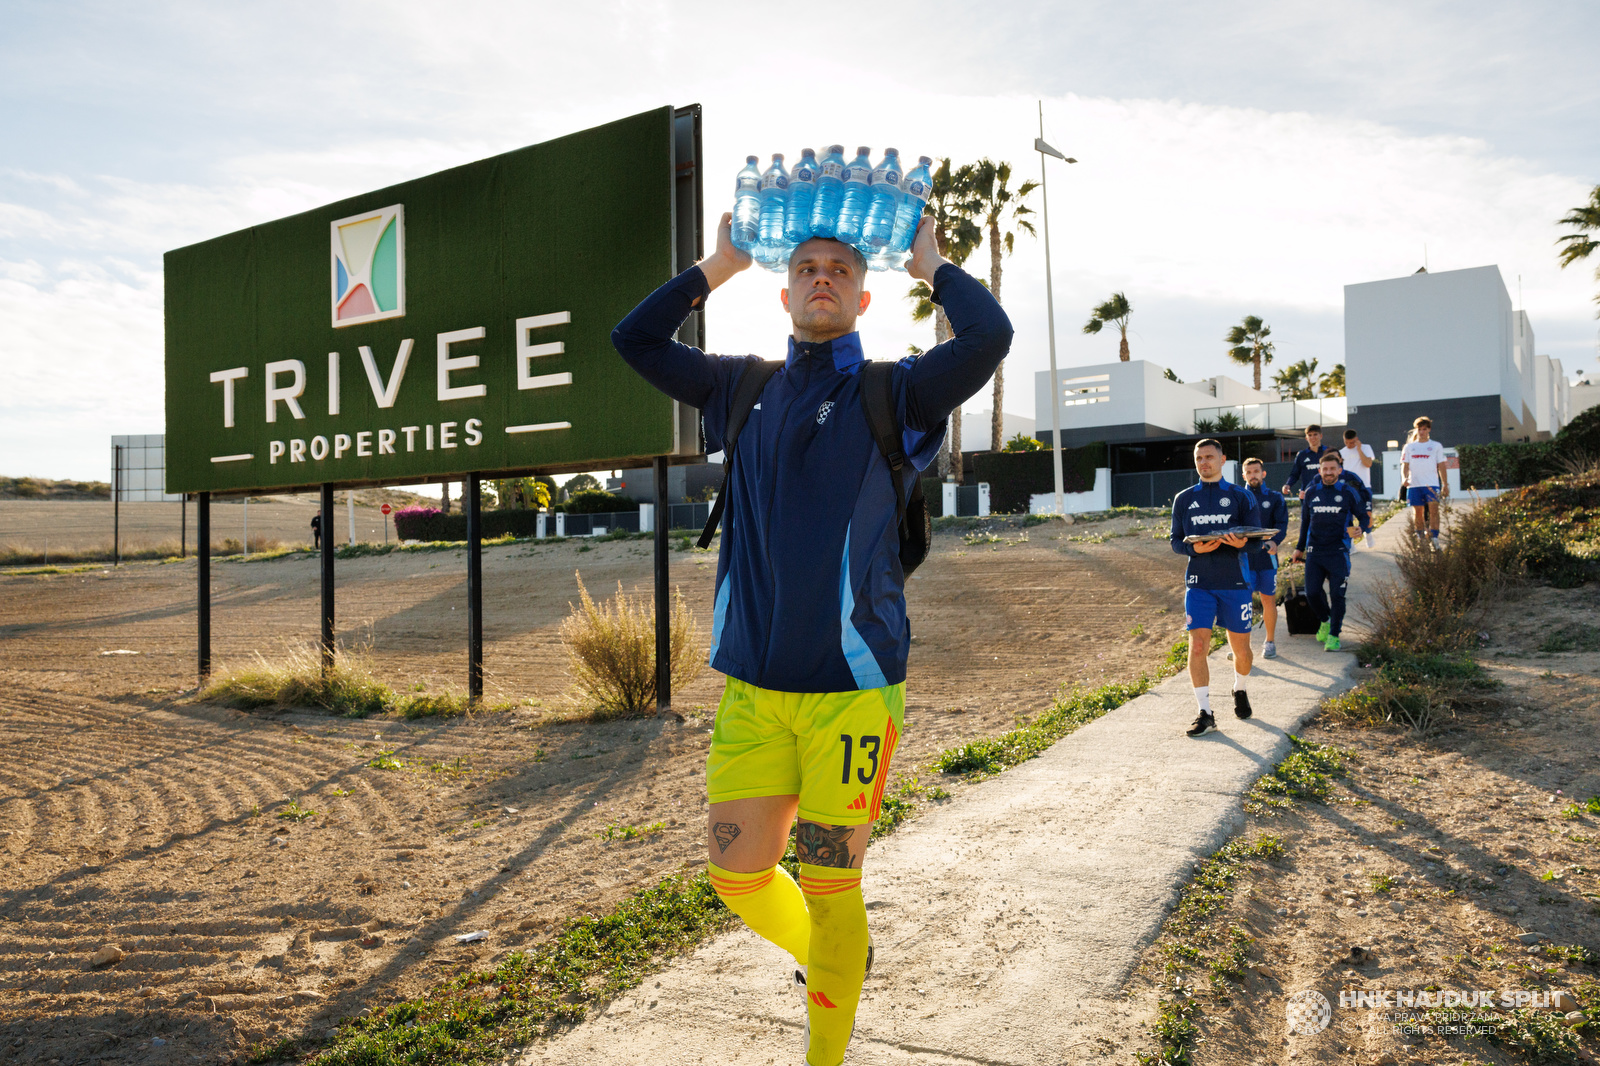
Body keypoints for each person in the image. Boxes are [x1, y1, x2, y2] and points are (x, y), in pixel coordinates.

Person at [610, 212, 1012, 1066]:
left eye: (838, 269)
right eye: (805, 267)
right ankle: (837, 962)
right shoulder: (739, 388)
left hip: (854, 690)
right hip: (754, 688)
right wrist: (715, 267)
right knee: (738, 878)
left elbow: (988, 336)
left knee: (832, 886)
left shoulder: (896, 391)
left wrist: (932, 265)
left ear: (864, 299)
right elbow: (634, 338)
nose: (821, 276)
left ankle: (824, 1051)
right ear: (785, 290)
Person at [1170, 439, 1260, 737]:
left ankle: (1240, 687)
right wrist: (1197, 550)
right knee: (1197, 646)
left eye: (1209, 457)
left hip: (1235, 583)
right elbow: (1175, 541)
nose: (1204, 462)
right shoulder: (1183, 499)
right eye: (1199, 458)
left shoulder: (1240, 496)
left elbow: (1257, 539)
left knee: (1242, 651)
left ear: (1223, 460)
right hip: (1199, 584)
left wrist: (1243, 542)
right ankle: (1205, 712)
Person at [1292, 452, 1371, 652]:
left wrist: (1362, 527)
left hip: (1339, 552)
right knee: (1312, 593)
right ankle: (1325, 620)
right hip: (1315, 552)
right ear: (1320, 471)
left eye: (1332, 469)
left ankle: (1334, 635)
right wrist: (1299, 548)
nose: (1328, 472)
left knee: (1337, 595)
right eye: (1325, 469)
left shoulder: (1347, 492)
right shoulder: (1311, 492)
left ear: (1339, 470)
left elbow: (1363, 515)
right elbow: (1305, 523)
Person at [1240, 458, 1288, 659]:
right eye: (1249, 472)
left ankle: (1269, 642)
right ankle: (1242, 646)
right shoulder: (1238, 497)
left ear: (1263, 473)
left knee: (1268, 600)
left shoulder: (1275, 497)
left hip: (1267, 559)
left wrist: (1275, 541)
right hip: (1244, 559)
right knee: (1242, 603)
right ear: (1244, 475)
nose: (1253, 475)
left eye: (1256, 471)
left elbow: (1282, 524)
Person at [1401, 416, 1448, 548]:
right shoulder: (1409, 447)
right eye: (1419, 429)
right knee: (1418, 513)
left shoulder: (1435, 446)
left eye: (1424, 429)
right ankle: (1420, 538)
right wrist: (1404, 478)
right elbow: (1404, 465)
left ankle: (1434, 538)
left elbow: (1442, 466)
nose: (1422, 432)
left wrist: (1445, 484)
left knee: (1434, 511)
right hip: (1415, 485)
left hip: (1431, 484)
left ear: (1429, 430)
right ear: (1416, 430)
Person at [1282, 424, 1328, 499]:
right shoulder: (1302, 455)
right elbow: (1294, 474)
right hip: (1307, 493)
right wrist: (1288, 484)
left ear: (1321, 436)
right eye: (1310, 435)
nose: (1312, 437)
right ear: (1306, 438)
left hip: (1326, 492)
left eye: (1315, 434)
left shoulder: (1328, 452)